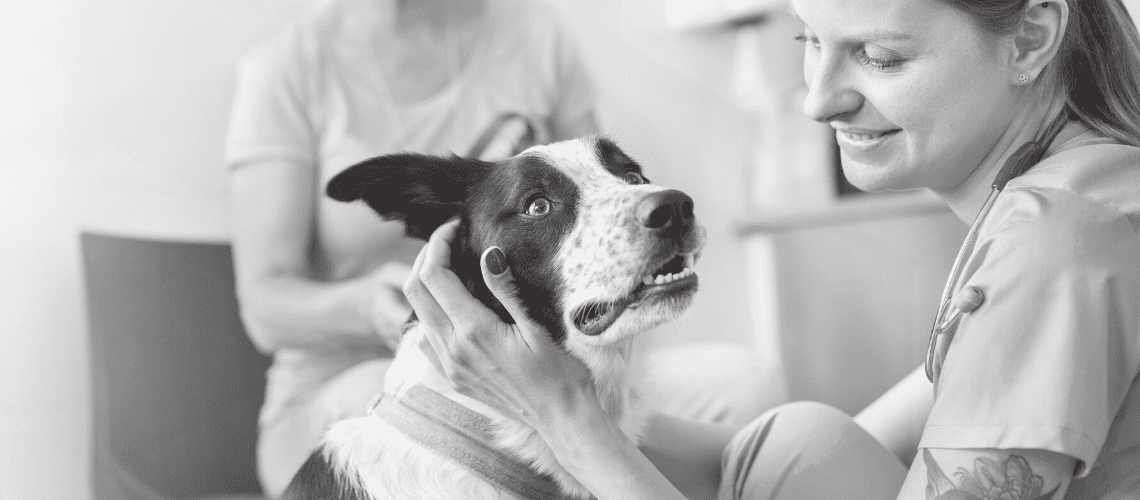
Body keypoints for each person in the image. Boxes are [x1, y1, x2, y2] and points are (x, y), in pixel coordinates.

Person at [403, 0, 1140, 499]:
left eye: (878, 56)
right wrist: (526, 400)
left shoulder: (1055, 246)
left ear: (1032, 39)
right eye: (811, 42)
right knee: (798, 436)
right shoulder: (1078, 196)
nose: (820, 99)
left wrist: (567, 418)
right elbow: (815, 448)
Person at [223, 0, 599, 495]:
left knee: (727, 383)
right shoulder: (288, 67)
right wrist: (364, 307)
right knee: (417, 405)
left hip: (539, 373)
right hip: (348, 388)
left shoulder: (539, 38)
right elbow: (264, 307)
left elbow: (597, 210)